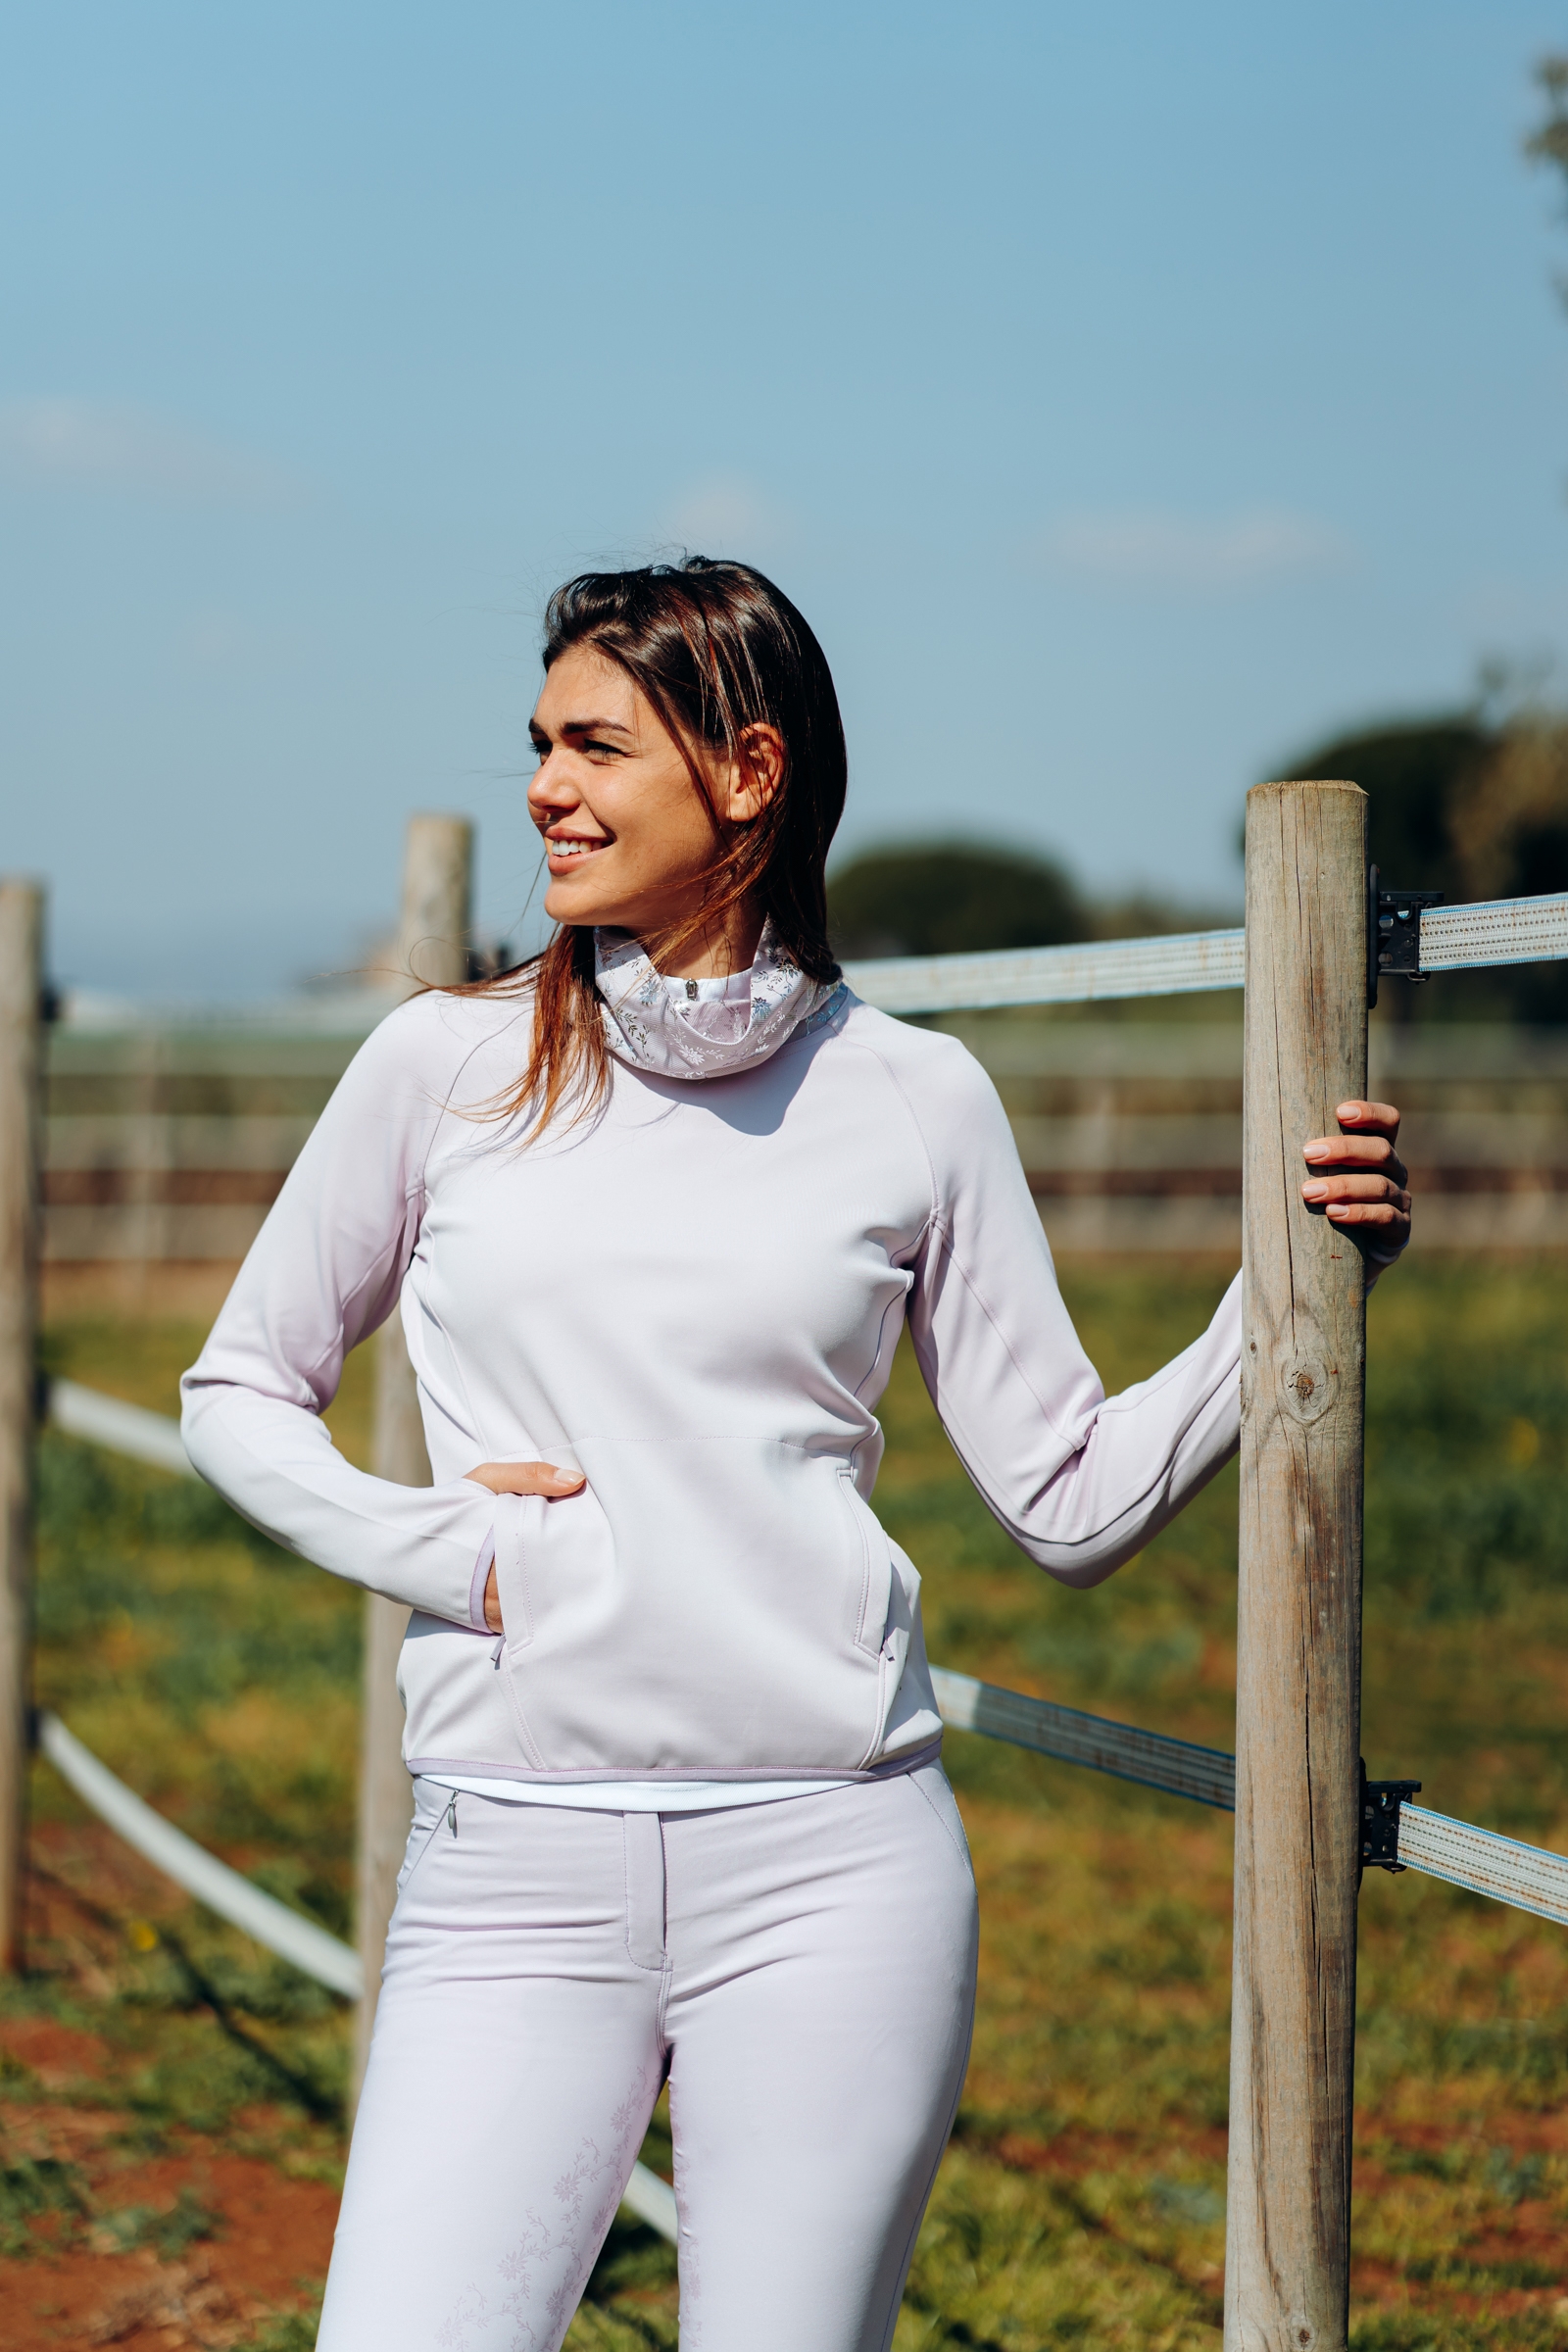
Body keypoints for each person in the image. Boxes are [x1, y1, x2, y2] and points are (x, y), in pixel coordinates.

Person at [180, 559, 1411, 2352]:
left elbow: (1066, 1499)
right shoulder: (436, 1068)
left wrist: (1290, 1289)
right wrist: (444, 1554)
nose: (545, 785)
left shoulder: (917, 1096)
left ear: (749, 773)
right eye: (537, 743)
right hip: (516, 1868)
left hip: (835, 1878)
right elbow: (236, 1387)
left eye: (596, 745)